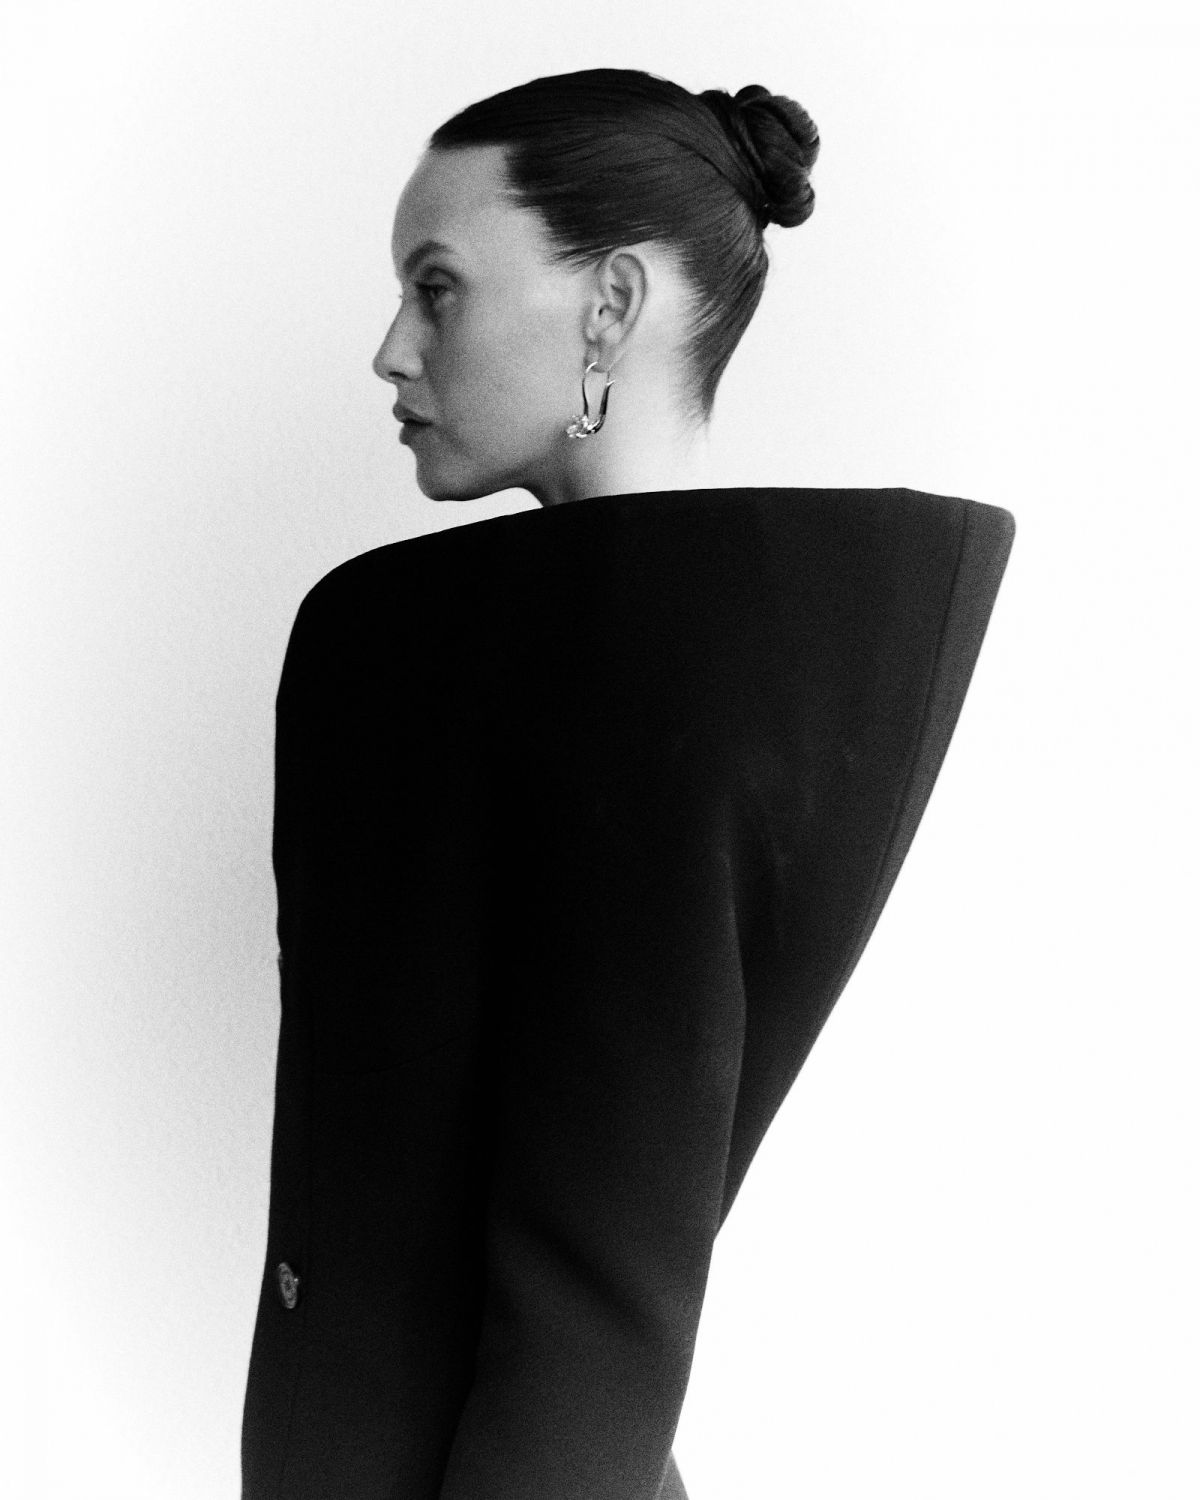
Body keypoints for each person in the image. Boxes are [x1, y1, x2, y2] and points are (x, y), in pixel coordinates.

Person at [241, 68, 1015, 1500]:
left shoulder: (662, 680)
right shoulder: (531, 647)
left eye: (438, 289)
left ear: (610, 306)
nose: (391, 352)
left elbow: (596, 1312)